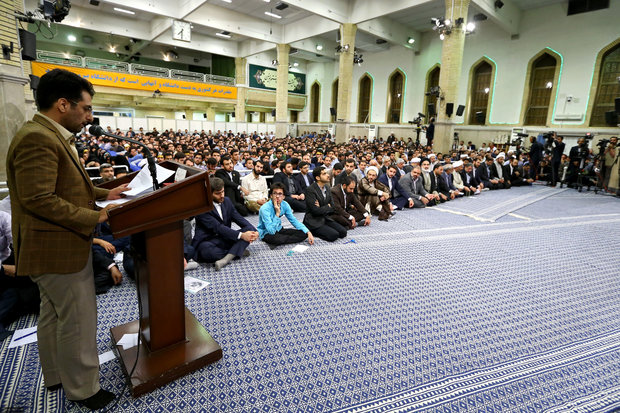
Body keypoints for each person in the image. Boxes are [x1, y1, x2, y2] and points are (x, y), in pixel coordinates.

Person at [5, 68, 128, 410]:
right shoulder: (38, 138)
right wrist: (97, 215)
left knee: (54, 315)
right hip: (58, 250)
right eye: (86, 108)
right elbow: (39, 199)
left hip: (52, 249)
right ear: (63, 104)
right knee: (77, 319)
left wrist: (109, 193)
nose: (90, 116)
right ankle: (84, 389)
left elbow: (69, 186)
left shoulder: (50, 134)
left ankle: (57, 375)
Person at [191, 177, 258, 271]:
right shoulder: (201, 208)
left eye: (222, 191)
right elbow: (218, 228)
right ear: (208, 194)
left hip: (226, 237)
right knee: (207, 252)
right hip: (209, 240)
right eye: (217, 193)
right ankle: (236, 251)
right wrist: (242, 235)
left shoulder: (227, 201)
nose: (221, 195)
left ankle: (227, 257)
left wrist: (254, 231)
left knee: (250, 230)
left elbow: (240, 219)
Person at [257, 183, 314, 247]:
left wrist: (308, 232)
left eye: (280, 194)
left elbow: (293, 220)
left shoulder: (285, 204)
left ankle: (283, 238)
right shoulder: (264, 208)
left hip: (279, 229)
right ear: (271, 195)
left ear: (284, 196)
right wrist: (277, 213)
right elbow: (271, 231)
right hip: (266, 232)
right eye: (275, 193)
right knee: (277, 238)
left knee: (304, 233)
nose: (277, 196)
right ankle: (282, 239)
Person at [303, 167, 348, 242]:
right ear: (317, 177)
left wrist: (321, 206)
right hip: (313, 220)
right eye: (324, 174)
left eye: (326, 173)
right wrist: (327, 206)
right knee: (334, 235)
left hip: (325, 217)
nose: (328, 175)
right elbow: (315, 211)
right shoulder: (310, 190)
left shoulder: (327, 187)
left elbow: (333, 206)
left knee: (343, 232)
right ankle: (311, 230)